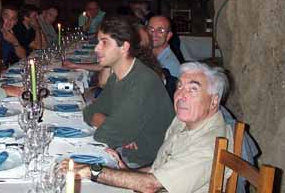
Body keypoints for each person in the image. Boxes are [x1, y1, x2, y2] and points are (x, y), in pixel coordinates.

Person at [65, 62, 233, 193]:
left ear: (214, 101)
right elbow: (160, 170)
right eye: (180, 86)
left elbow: (151, 185)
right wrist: (127, 171)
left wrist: (92, 171)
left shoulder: (210, 144)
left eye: (193, 89)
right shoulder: (184, 121)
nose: (181, 95)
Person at [82, 17, 174, 167]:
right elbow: (88, 112)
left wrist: (115, 130)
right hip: (123, 152)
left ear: (124, 47)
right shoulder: (118, 76)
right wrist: (115, 129)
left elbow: (106, 134)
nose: (96, 48)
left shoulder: (143, 81)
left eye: (104, 42)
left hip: (144, 163)